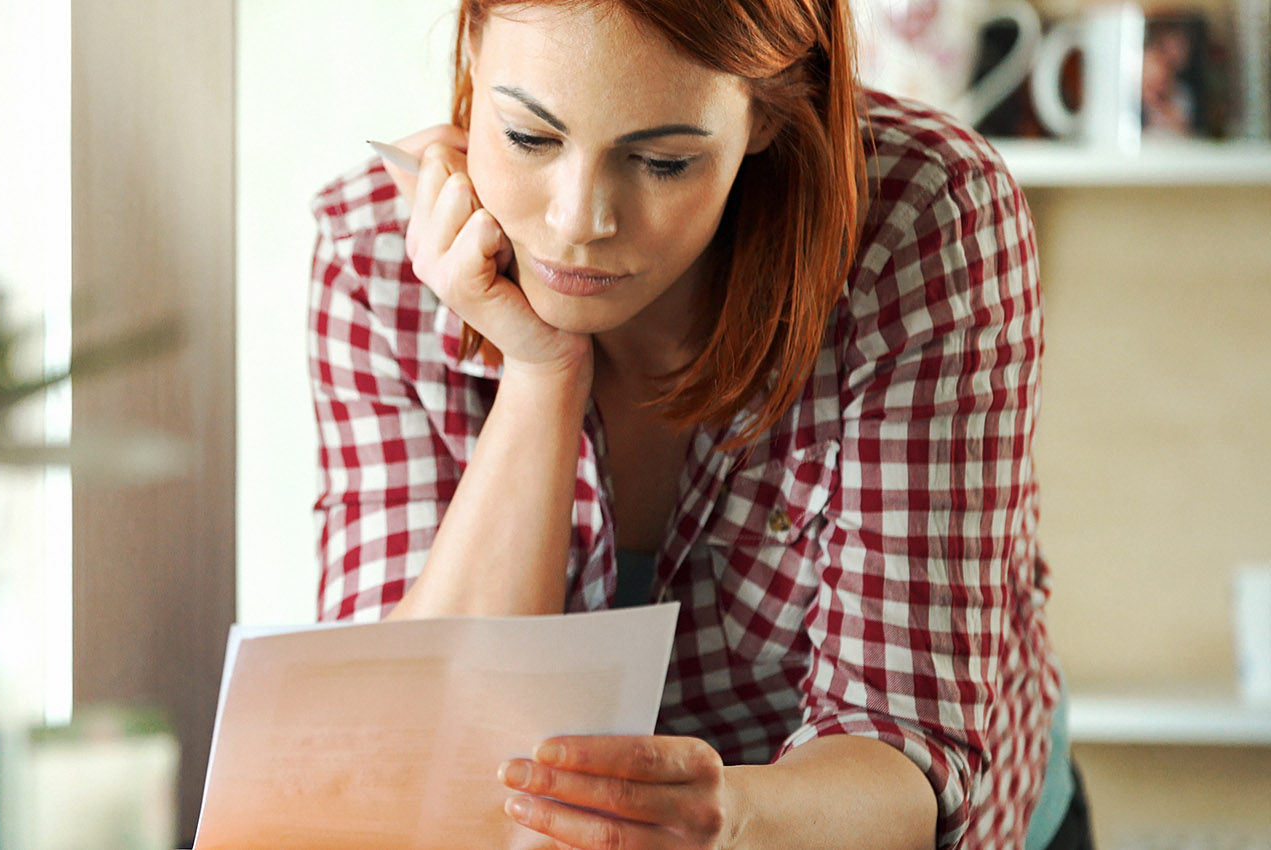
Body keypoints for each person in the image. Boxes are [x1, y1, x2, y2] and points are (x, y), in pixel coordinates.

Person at [304, 1, 1092, 848]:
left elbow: (904, 752)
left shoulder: (922, 217)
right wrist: (540, 371)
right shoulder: (374, 255)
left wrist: (727, 823)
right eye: (529, 138)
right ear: (470, 49)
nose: (577, 223)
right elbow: (418, 747)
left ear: (766, 109)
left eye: (662, 160)